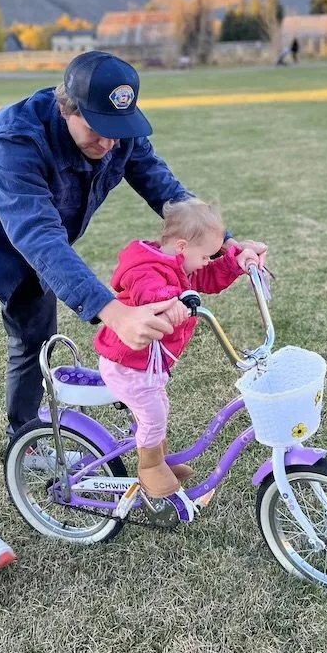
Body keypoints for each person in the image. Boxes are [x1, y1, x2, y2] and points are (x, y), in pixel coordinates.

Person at [0, 51, 266, 582]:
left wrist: (228, 249)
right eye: (98, 128)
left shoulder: (119, 133)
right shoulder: (14, 140)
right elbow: (37, 235)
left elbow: (169, 194)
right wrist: (112, 311)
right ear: (66, 106)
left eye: (119, 129)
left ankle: (26, 438)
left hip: (35, 241)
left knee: (34, 345)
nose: (109, 142)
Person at [94, 198, 262, 497]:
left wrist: (235, 262)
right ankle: (149, 469)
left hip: (148, 364)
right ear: (183, 246)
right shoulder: (145, 267)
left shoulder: (182, 262)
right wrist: (170, 303)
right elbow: (149, 291)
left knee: (158, 409)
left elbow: (207, 277)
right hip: (127, 363)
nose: (208, 261)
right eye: (207, 255)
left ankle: (161, 461)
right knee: (153, 414)